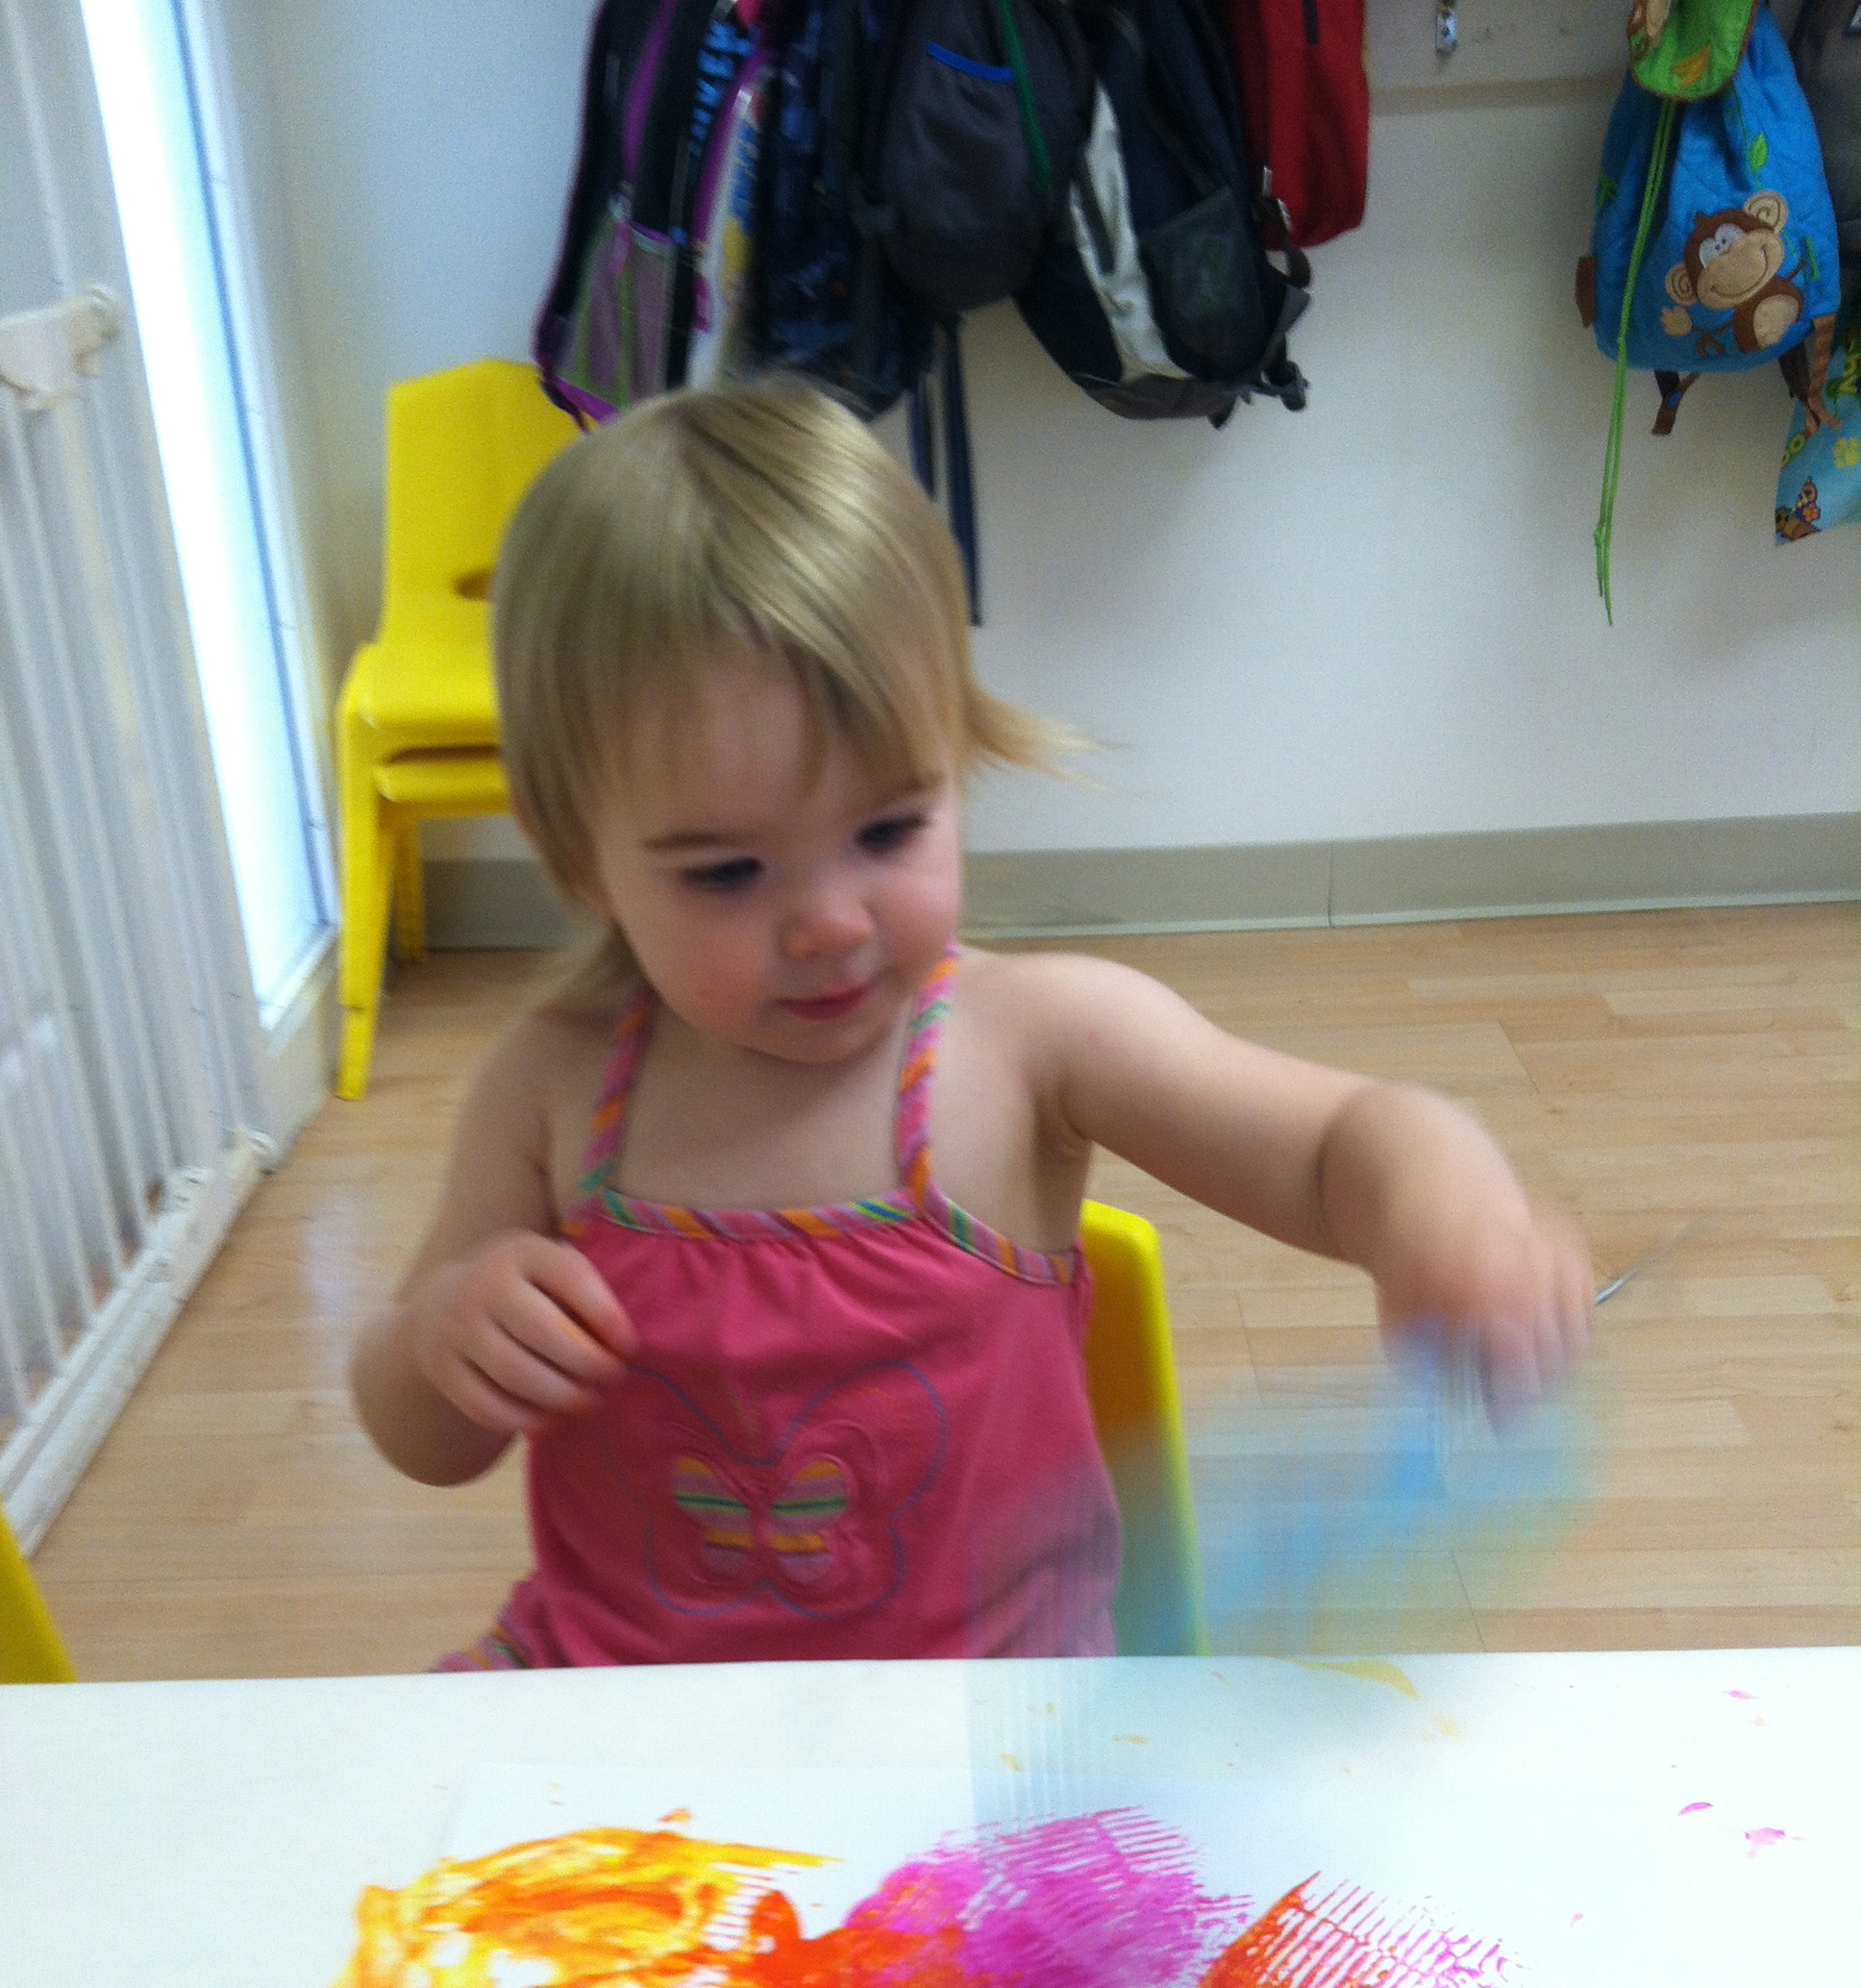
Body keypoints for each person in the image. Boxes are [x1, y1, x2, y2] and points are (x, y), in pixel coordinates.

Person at [351, 385, 1592, 1668]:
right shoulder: (550, 1087)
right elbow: (423, 1443)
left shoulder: (1035, 1044)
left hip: (986, 1719)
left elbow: (1342, 1142)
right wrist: (442, 1338)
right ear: (577, 855)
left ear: (957, 764)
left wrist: (1450, 1214)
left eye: (889, 830)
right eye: (727, 872)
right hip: (612, 1702)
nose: (829, 923)